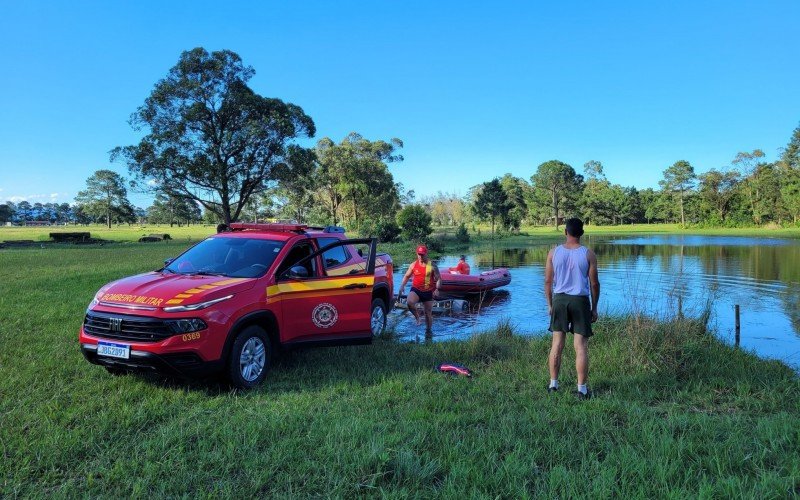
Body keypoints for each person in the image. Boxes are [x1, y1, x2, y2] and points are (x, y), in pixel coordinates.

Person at [544, 218, 600, 399]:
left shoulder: (553, 253)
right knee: (580, 347)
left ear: (565, 232)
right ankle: (581, 390)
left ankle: (553, 385)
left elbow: (547, 281)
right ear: (581, 233)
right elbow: (594, 284)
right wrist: (594, 308)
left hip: (560, 300)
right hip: (580, 301)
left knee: (557, 344)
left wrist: (550, 304)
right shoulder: (588, 254)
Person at [399, 245, 441, 336]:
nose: (420, 256)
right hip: (416, 289)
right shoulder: (413, 265)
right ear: (417, 254)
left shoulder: (433, 265)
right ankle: (417, 317)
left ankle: (428, 331)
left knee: (427, 313)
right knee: (409, 302)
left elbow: (439, 279)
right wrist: (402, 285)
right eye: (419, 254)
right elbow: (406, 276)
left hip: (428, 291)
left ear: (426, 254)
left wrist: (437, 289)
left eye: (422, 254)